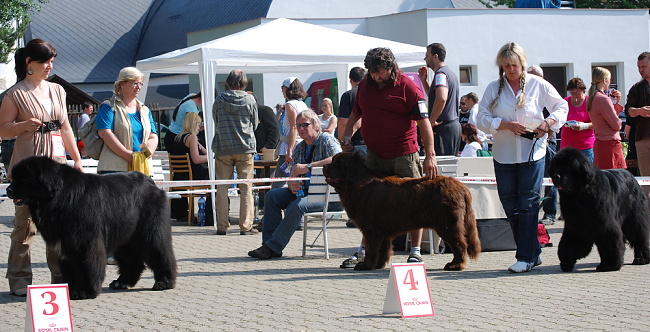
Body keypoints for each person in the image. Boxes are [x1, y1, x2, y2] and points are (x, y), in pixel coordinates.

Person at [340, 47, 437, 268]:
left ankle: (415, 251)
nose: (376, 76)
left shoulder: (408, 87)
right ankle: (365, 251)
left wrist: (430, 155)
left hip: (404, 154)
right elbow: (357, 112)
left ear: (391, 67)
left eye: (380, 72)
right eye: (372, 72)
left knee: (414, 201)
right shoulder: (365, 85)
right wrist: (347, 134)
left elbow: (424, 122)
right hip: (374, 156)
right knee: (369, 205)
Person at [0, 39, 83, 296]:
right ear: (29, 63)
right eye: (45, 61)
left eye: (52, 61)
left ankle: (60, 278)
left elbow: (66, 126)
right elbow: (2, 130)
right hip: (29, 169)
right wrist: (22, 126)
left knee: (58, 226)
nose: (50, 66)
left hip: (57, 169)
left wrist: (76, 159)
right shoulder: (15, 94)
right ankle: (20, 280)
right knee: (25, 227)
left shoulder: (58, 90)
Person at [476, 42, 567, 273]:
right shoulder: (493, 87)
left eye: (514, 65)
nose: (510, 69)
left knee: (527, 204)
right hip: (503, 154)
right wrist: (503, 124)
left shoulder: (538, 84)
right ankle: (532, 252)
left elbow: (561, 106)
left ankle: (525, 256)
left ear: (522, 64)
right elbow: (481, 118)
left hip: (532, 153)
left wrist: (548, 122)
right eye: (506, 66)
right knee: (510, 205)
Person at [248, 110, 342, 259]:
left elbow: (338, 158)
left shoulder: (326, 139)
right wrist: (292, 183)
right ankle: (269, 246)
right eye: (298, 126)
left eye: (305, 125)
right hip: (305, 193)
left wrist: (309, 166)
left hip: (329, 197)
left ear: (316, 126)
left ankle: (273, 246)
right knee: (272, 196)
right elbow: (293, 174)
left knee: (297, 206)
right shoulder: (299, 147)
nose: (301, 129)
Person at [212, 69, 258, 235]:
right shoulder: (250, 99)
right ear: (243, 82)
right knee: (246, 188)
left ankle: (222, 226)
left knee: (222, 188)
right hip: (245, 147)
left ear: (229, 82)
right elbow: (255, 124)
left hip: (223, 147)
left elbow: (215, 120)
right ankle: (245, 226)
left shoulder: (219, 99)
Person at [96, 67, 158, 174]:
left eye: (140, 83)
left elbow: (153, 136)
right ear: (122, 84)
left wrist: (147, 154)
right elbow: (104, 133)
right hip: (114, 170)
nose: (139, 87)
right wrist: (127, 155)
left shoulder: (145, 109)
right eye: (134, 83)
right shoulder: (108, 106)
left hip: (141, 169)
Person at [526, 65, 558, 225]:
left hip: (547, 142)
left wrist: (546, 138)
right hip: (530, 142)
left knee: (550, 179)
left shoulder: (546, 93)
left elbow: (554, 119)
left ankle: (550, 213)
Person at [418, 43, 460, 156]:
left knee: (442, 167)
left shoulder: (440, 74)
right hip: (451, 126)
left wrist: (430, 122)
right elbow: (435, 96)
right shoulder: (449, 73)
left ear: (435, 57)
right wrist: (424, 81)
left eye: (427, 55)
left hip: (443, 128)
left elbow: (441, 98)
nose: (425, 59)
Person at [169, 112, 209, 222]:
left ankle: (181, 212)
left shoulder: (178, 137)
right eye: (198, 124)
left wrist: (199, 144)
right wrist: (211, 159)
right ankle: (211, 211)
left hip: (180, 174)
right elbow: (196, 159)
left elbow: (205, 152)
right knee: (214, 175)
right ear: (194, 124)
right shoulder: (191, 137)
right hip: (192, 174)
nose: (199, 127)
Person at [272, 77, 309, 189]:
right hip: (301, 144)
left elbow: (293, 127)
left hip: (290, 145)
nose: (281, 90)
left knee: (279, 182)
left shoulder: (290, 104)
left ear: (288, 89)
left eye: (282, 88)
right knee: (295, 179)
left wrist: (289, 150)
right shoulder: (302, 104)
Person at [587, 67, 626, 170]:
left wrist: (615, 103)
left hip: (600, 143)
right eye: (609, 79)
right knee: (615, 180)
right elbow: (616, 125)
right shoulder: (603, 99)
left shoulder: (592, 97)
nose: (609, 82)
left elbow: (606, 119)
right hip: (610, 144)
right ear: (604, 80)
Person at [625, 52, 650, 176]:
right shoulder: (636, 88)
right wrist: (639, 111)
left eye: (643, 67)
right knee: (646, 179)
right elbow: (628, 110)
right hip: (642, 138)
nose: (640, 70)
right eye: (639, 67)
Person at [560, 77, 595, 161]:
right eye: (572, 93)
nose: (575, 95)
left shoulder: (590, 102)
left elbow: (598, 123)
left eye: (577, 92)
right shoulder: (565, 102)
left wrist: (583, 126)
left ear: (583, 90)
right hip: (567, 145)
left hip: (585, 145)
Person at [337, 66, 366, 155]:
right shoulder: (372, 94)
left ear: (350, 80)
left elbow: (343, 122)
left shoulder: (348, 95)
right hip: (372, 144)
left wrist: (342, 142)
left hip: (355, 145)